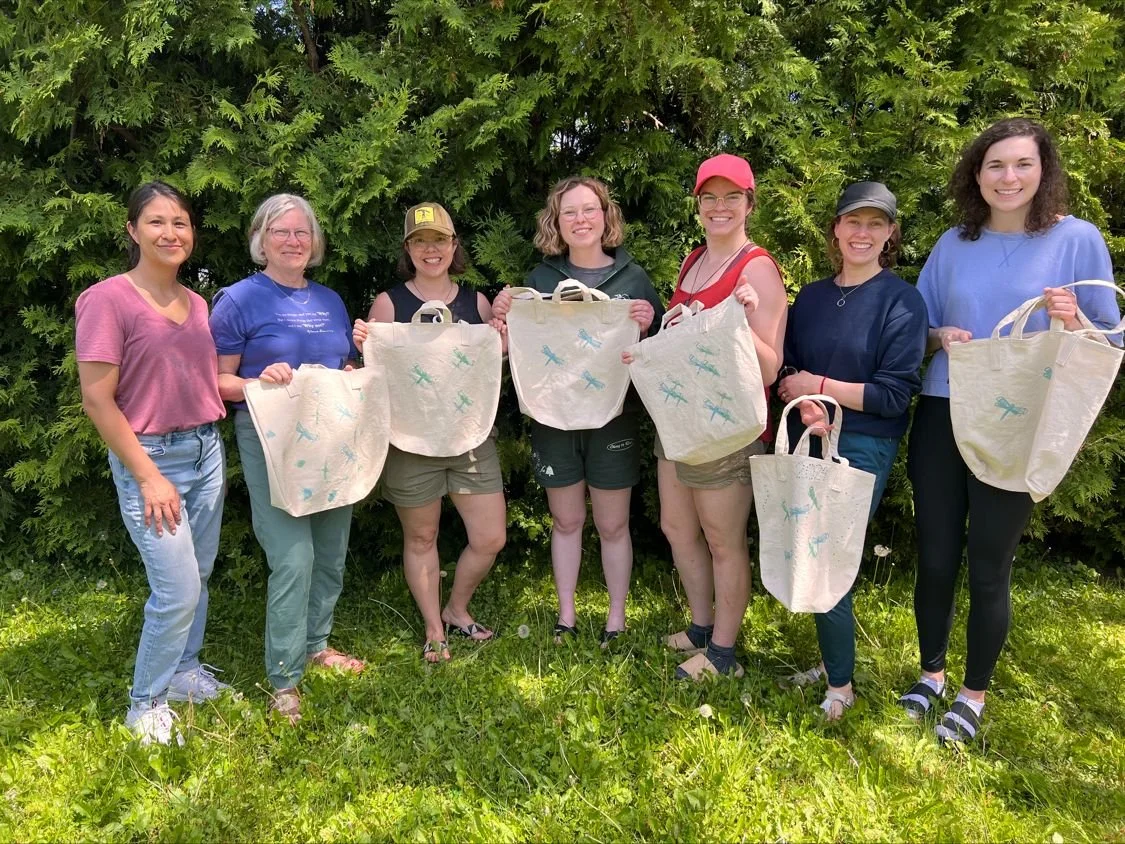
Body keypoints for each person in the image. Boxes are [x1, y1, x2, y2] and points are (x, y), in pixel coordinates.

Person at [901, 117, 1120, 744]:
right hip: (944, 411)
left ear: (1043, 170)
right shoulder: (953, 244)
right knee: (937, 557)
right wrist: (942, 337)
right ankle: (931, 676)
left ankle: (973, 695)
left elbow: (1110, 341)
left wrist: (1073, 317)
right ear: (977, 174)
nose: (1009, 176)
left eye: (1022, 164)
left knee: (989, 564)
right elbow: (920, 329)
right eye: (995, 165)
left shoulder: (1076, 240)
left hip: (1019, 421)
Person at [76, 181, 231, 746]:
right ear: (133, 230)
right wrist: (147, 473)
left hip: (206, 450)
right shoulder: (107, 299)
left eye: (181, 222)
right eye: (157, 222)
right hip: (153, 458)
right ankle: (146, 703)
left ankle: (186, 672)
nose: (171, 233)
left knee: (200, 575)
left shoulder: (197, 304)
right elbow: (97, 399)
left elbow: (197, 380)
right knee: (177, 589)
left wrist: (262, 382)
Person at [775, 182, 927, 720]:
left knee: (827, 557)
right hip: (805, 434)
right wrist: (806, 395)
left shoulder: (902, 300)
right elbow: (786, 367)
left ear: (889, 235)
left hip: (862, 444)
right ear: (835, 229)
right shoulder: (812, 296)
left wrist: (822, 388)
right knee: (806, 550)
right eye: (853, 222)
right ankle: (830, 659)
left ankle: (841, 687)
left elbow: (893, 395)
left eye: (876, 225)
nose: (862, 233)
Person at [210, 193, 363, 725]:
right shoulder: (238, 300)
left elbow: (342, 365)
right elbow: (216, 380)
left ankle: (318, 645)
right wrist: (257, 380)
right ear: (261, 241)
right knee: (292, 556)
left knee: (331, 549)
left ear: (314, 243)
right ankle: (283, 676)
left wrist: (352, 366)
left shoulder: (331, 301)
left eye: (303, 233)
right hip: (270, 439)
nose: (294, 241)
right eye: (282, 233)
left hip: (330, 438)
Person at [491, 177, 663, 646]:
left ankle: (616, 618)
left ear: (606, 216)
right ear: (557, 223)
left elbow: (662, 351)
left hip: (614, 418)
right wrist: (505, 311)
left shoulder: (634, 278)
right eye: (570, 213)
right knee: (566, 522)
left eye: (590, 210)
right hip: (553, 418)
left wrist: (649, 326)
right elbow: (513, 343)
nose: (581, 219)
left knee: (613, 524)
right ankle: (565, 617)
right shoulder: (540, 280)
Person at [648, 154, 788, 680]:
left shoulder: (756, 268)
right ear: (699, 205)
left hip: (727, 426)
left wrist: (735, 320)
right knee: (677, 526)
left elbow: (771, 366)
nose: (720, 207)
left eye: (732, 197)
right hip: (680, 417)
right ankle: (701, 626)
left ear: (750, 203)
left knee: (722, 538)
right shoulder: (692, 260)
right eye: (710, 197)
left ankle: (723, 654)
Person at [352, 203, 505, 663]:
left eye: (439, 240)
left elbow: (490, 371)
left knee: (490, 537)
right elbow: (374, 374)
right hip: (411, 440)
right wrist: (364, 344)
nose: (431, 249)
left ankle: (457, 608)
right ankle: (434, 629)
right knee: (421, 539)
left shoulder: (475, 302)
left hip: (471, 438)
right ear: (408, 249)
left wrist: (504, 341)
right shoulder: (389, 303)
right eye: (421, 241)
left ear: (454, 245)